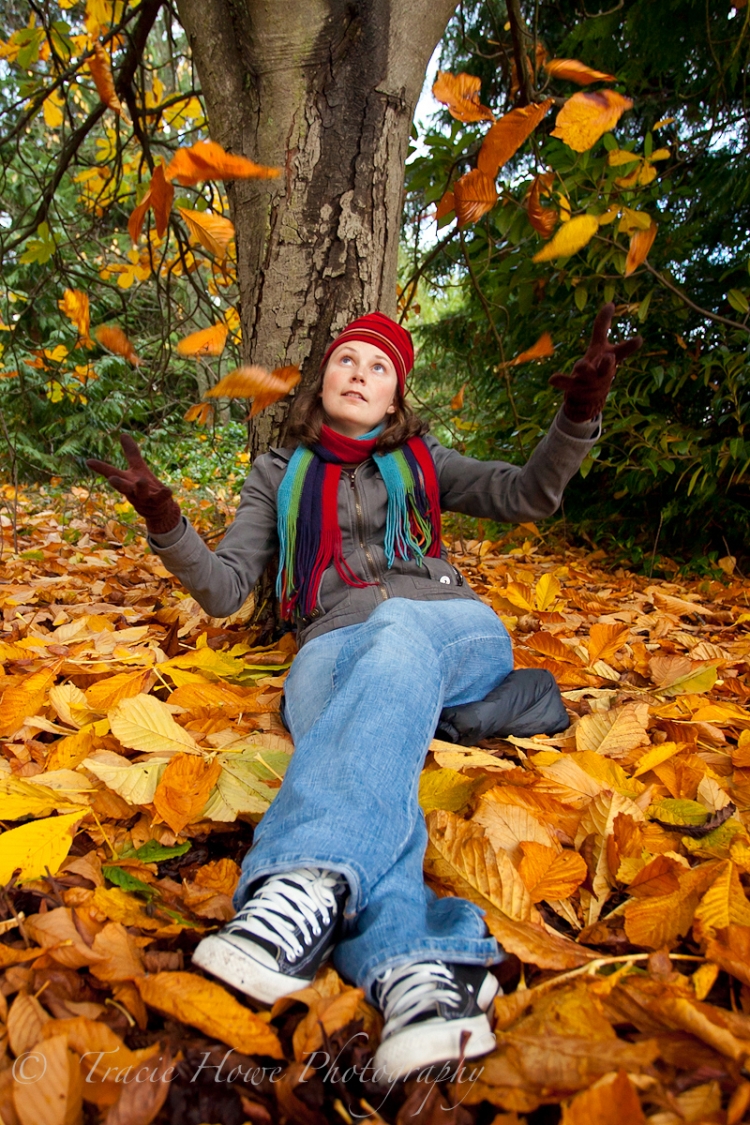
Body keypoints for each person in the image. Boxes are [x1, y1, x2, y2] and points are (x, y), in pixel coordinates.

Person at [88, 305, 640, 1082]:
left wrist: (578, 414)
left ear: (395, 398)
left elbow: (528, 496)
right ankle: (415, 971)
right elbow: (224, 590)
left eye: (379, 367)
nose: (360, 373)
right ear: (322, 385)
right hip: (332, 647)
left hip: (450, 628)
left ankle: (301, 881)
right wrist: (166, 520)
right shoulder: (276, 474)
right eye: (349, 360)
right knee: (364, 761)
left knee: (397, 635)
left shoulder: (426, 458)